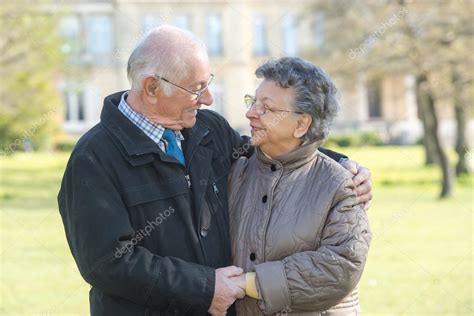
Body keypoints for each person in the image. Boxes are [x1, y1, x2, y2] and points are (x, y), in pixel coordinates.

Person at [58, 26, 372, 315]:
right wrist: (207, 288)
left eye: (208, 85)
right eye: (197, 88)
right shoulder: (94, 157)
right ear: (152, 88)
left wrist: (340, 164)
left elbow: (272, 151)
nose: (208, 99)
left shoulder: (208, 130)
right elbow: (107, 263)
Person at [228, 57, 371, 315]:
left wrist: (249, 284)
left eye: (266, 108)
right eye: (253, 102)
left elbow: (340, 266)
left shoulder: (341, 185)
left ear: (301, 124)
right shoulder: (235, 170)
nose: (250, 113)